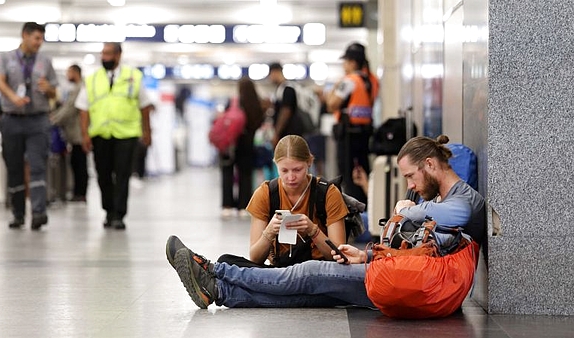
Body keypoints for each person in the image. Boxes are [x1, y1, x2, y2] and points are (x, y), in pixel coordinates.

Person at [165, 135, 485, 309]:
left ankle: (213, 271)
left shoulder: (464, 199)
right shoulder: (436, 198)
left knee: (310, 273)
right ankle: (219, 291)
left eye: (411, 177)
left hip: (422, 286)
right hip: (408, 278)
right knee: (310, 294)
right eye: (284, 171)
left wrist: (407, 211)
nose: (411, 186)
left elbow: (456, 216)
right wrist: (368, 254)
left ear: (430, 164)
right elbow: (415, 251)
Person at [218, 135, 348, 268]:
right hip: (280, 272)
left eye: (297, 170)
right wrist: (269, 232)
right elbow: (255, 258)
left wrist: (313, 230)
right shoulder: (266, 193)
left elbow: (338, 255)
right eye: (284, 171)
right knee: (225, 261)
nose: (291, 177)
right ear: (276, 165)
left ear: (309, 162)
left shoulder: (328, 193)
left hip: (318, 270)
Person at [75, 42, 152, 230]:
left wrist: (147, 132)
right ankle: (108, 211)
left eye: (108, 54)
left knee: (123, 174)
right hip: (101, 135)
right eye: (103, 54)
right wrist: (84, 134)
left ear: (118, 55)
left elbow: (144, 106)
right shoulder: (92, 79)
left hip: (126, 135)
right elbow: (83, 109)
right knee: (103, 175)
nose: (104, 58)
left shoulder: (133, 77)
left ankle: (118, 214)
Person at [0, 22, 58, 230]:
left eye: (41, 39)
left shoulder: (45, 61)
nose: (39, 43)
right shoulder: (5, 58)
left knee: (38, 165)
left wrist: (48, 88)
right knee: (14, 167)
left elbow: (54, 93)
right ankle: (18, 213)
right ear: (25, 36)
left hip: (37, 120)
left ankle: (39, 212)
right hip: (12, 118)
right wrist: (14, 98)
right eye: (36, 38)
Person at [327, 42, 379, 205]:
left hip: (348, 136)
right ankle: (366, 204)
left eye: (346, 61)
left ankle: (352, 208)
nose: (344, 65)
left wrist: (335, 86)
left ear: (353, 62)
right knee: (363, 171)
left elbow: (332, 104)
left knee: (348, 176)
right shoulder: (372, 81)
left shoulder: (349, 81)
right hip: (365, 134)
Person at [220, 77, 265, 219]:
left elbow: (224, 120)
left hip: (231, 143)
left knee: (228, 173)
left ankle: (227, 206)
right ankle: (243, 206)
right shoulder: (256, 104)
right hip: (248, 143)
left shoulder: (234, 102)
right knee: (245, 175)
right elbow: (259, 122)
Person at [50, 64, 88, 203]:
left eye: (69, 72)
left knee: (79, 163)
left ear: (75, 73)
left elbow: (70, 109)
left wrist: (53, 120)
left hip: (79, 133)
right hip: (74, 133)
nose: (67, 76)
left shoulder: (80, 88)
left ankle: (80, 193)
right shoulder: (77, 88)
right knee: (76, 162)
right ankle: (78, 192)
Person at [267, 62, 299, 146]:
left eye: (270, 74)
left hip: (289, 134)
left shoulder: (287, 89)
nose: (270, 78)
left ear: (276, 72)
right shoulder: (280, 89)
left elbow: (286, 111)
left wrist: (277, 133)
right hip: (287, 133)